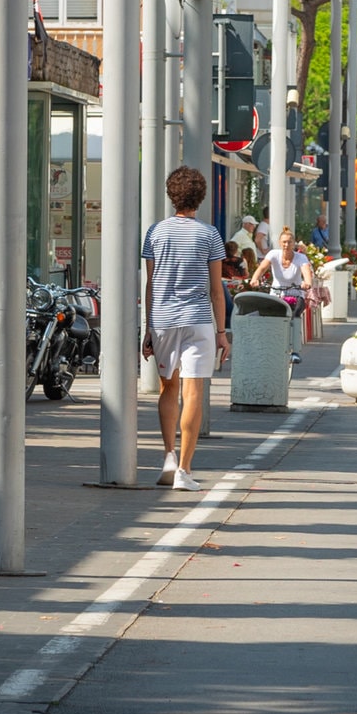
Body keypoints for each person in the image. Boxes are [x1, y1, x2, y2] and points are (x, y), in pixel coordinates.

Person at [143, 166, 229, 491]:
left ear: (171, 194)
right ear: (201, 197)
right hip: (198, 320)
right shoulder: (209, 235)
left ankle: (168, 454)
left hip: (163, 319)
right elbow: (216, 289)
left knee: (169, 389)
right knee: (194, 392)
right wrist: (222, 332)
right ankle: (185, 469)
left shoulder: (155, 233)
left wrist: (149, 328)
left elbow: (151, 283)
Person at [253, 226, 323, 348]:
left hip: (295, 293)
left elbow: (306, 272)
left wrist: (307, 283)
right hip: (277, 292)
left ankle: (295, 346)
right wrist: (255, 279)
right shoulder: (273, 254)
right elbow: (262, 268)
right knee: (272, 314)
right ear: (280, 243)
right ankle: (272, 342)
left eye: (289, 242)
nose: (286, 245)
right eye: (284, 242)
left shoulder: (300, 257)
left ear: (294, 244)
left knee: (295, 314)